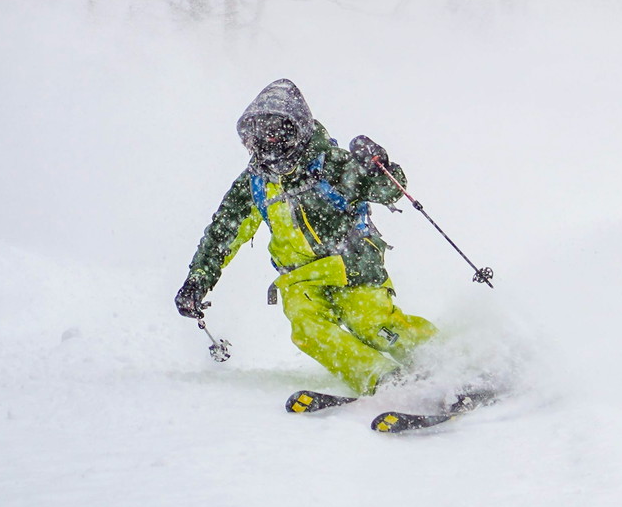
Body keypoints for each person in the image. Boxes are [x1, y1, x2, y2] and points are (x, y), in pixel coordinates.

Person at [175, 79, 436, 396]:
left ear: (295, 131)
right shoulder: (254, 182)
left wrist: (377, 165)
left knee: (371, 324)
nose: (267, 143)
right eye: (259, 136)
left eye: (275, 133)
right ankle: (383, 381)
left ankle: (446, 360)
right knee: (308, 331)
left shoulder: (330, 164)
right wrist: (198, 279)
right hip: (299, 278)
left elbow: (389, 190)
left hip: (351, 264)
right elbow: (224, 232)